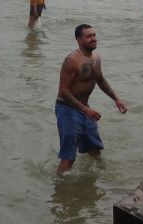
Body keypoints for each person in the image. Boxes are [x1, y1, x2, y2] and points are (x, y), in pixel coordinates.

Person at [54, 24, 127, 174]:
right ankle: (59, 188)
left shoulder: (96, 58)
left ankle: (100, 175)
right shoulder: (72, 61)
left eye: (94, 35)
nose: (93, 38)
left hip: (85, 109)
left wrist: (116, 99)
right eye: (89, 36)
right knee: (69, 157)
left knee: (94, 148)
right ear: (79, 40)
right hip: (68, 109)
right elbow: (63, 91)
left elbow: (100, 80)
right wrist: (85, 109)